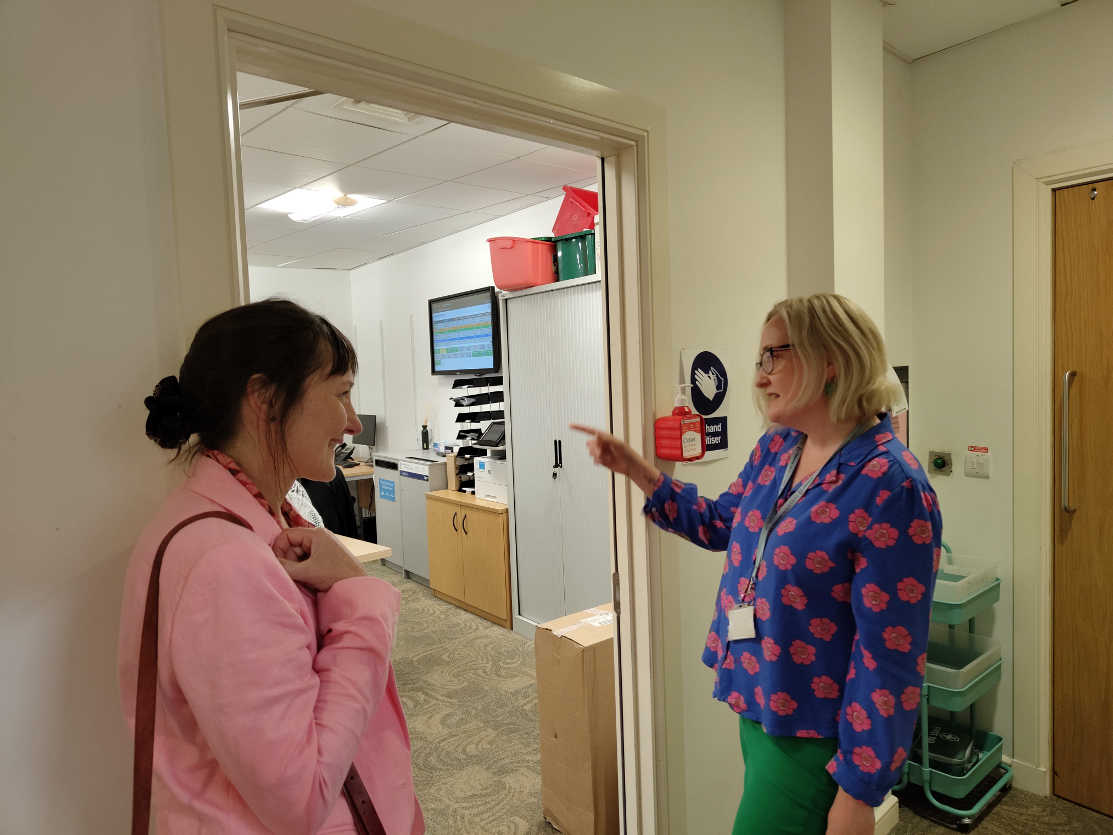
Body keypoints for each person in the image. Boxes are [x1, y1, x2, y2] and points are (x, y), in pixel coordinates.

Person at [574, 293, 941, 835]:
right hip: (761, 699)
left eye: (775, 356)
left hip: (816, 736)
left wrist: (859, 792)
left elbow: (889, 656)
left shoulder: (892, 486)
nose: (759, 375)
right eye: (759, 359)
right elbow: (722, 522)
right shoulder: (780, 448)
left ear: (831, 359)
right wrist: (639, 471)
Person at [118, 299, 424, 834]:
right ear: (264, 400)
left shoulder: (238, 521)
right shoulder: (225, 562)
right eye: (341, 393)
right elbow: (300, 797)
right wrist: (360, 595)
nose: (351, 422)